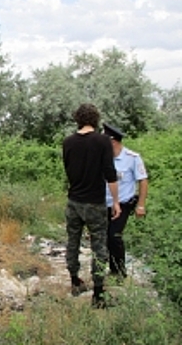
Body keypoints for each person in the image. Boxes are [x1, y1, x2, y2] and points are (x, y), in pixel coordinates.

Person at [62, 103, 121, 308]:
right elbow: (110, 173)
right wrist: (115, 201)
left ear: (77, 119)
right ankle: (97, 294)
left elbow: (68, 170)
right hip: (95, 202)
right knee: (98, 247)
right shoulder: (103, 141)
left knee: (73, 241)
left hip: (74, 201)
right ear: (95, 119)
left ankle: (74, 280)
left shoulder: (68, 142)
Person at [103, 123, 148, 281]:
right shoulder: (103, 158)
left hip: (122, 204)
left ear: (113, 141)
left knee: (114, 236)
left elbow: (142, 181)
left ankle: (120, 272)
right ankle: (110, 269)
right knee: (104, 238)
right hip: (103, 204)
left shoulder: (132, 158)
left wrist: (141, 205)